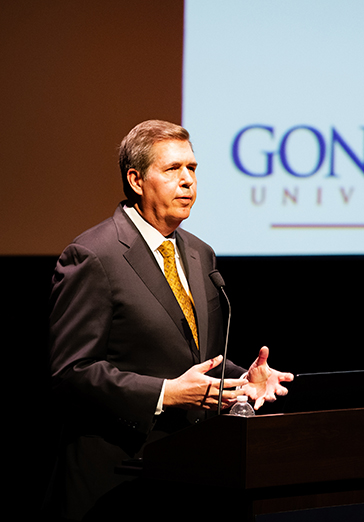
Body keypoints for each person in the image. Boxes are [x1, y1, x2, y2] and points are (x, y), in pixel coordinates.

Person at [47, 120, 294, 521]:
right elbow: (71, 372)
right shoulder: (93, 256)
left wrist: (241, 378)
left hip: (190, 475)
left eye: (192, 169)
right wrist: (165, 393)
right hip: (114, 484)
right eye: (172, 169)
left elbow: (198, 355)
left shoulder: (200, 253)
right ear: (137, 179)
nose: (187, 181)